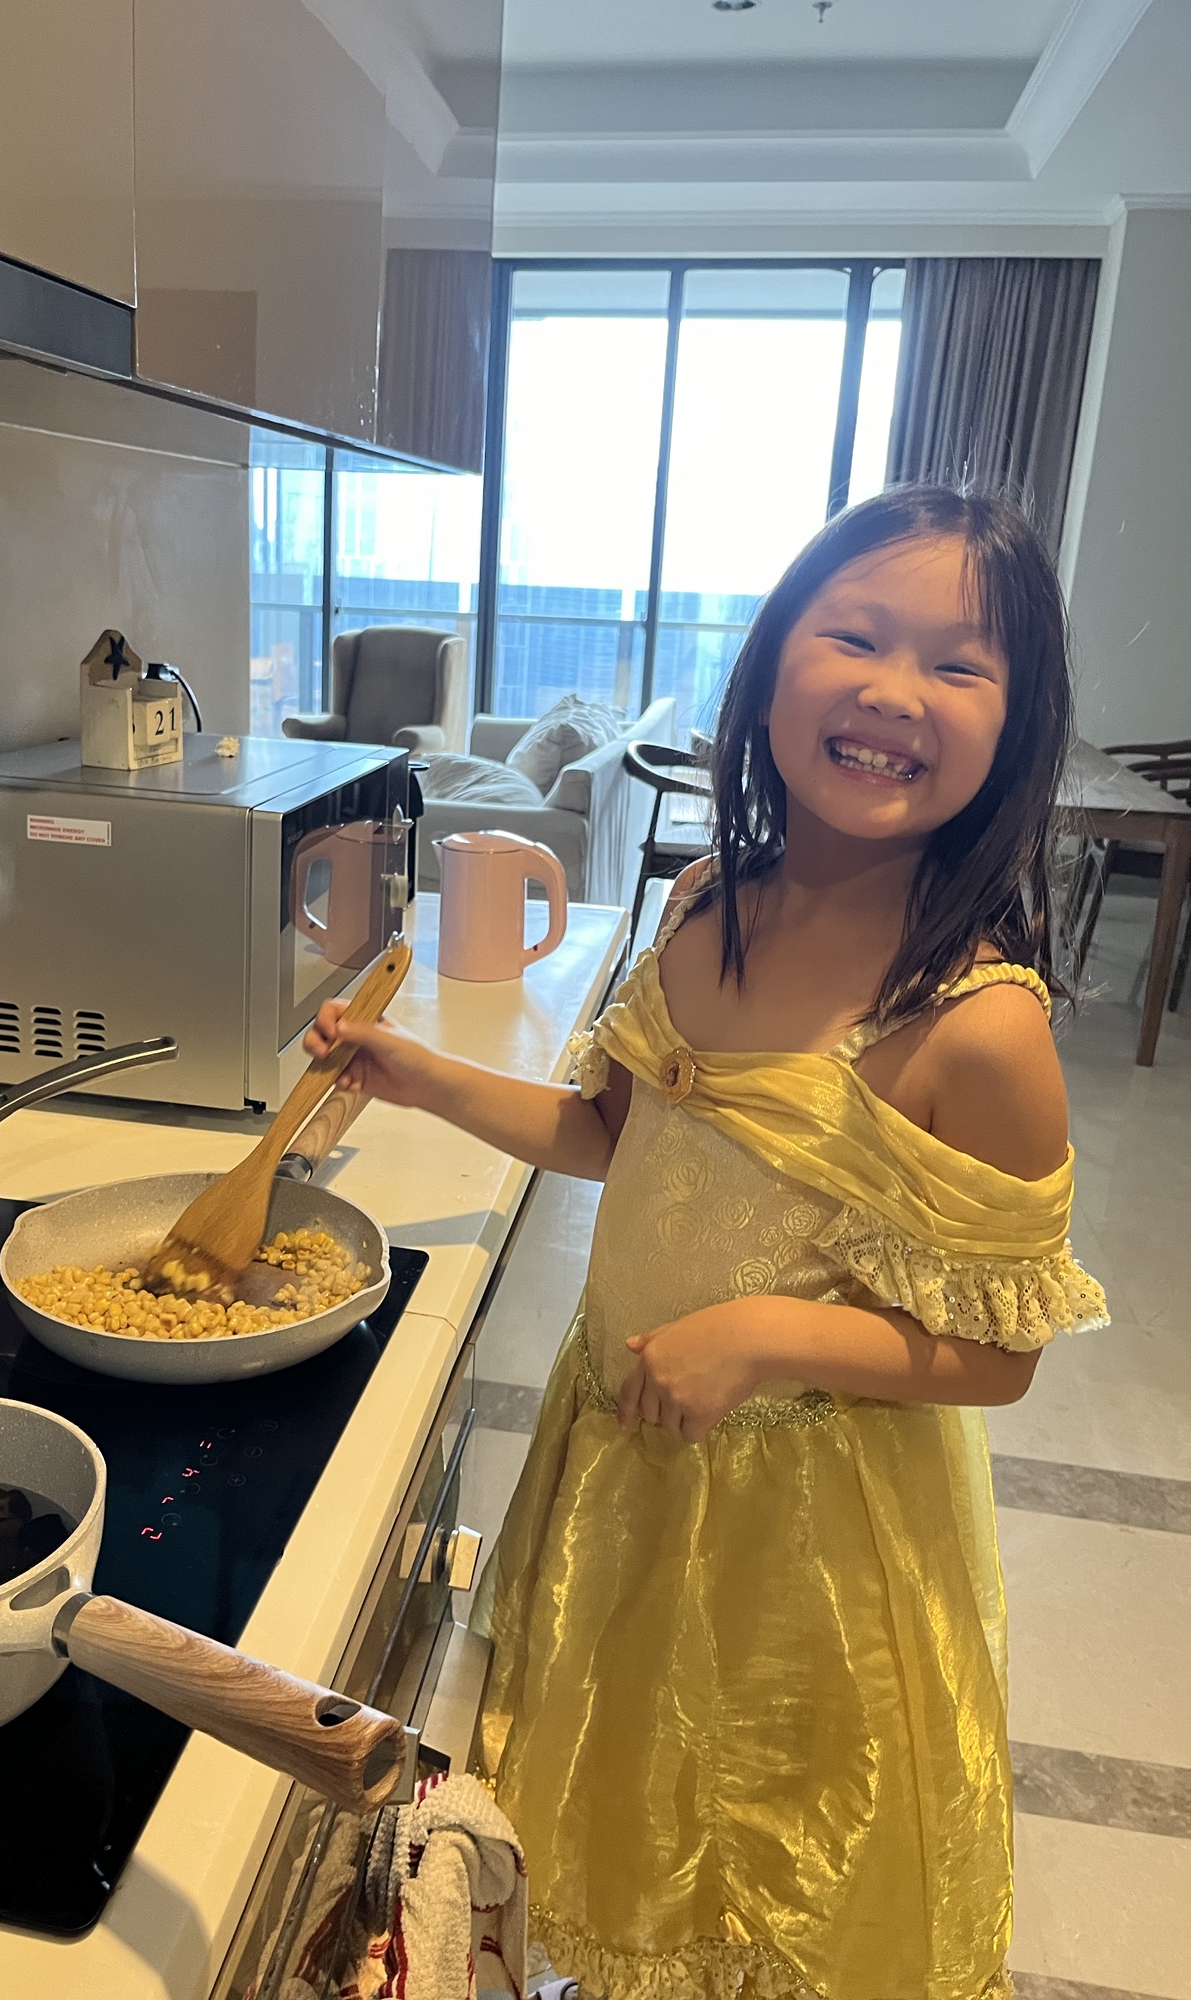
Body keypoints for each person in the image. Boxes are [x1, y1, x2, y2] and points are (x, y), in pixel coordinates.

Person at [305, 487, 1108, 2000]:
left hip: (808, 1539)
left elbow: (1001, 1357)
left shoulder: (978, 1025)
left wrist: (766, 1333)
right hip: (623, 1462)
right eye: (855, 637)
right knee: (630, 1810)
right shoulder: (701, 907)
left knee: (776, 1869)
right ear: (772, 665)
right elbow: (613, 1133)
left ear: (1016, 728)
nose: (894, 692)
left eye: (958, 664)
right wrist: (421, 1075)